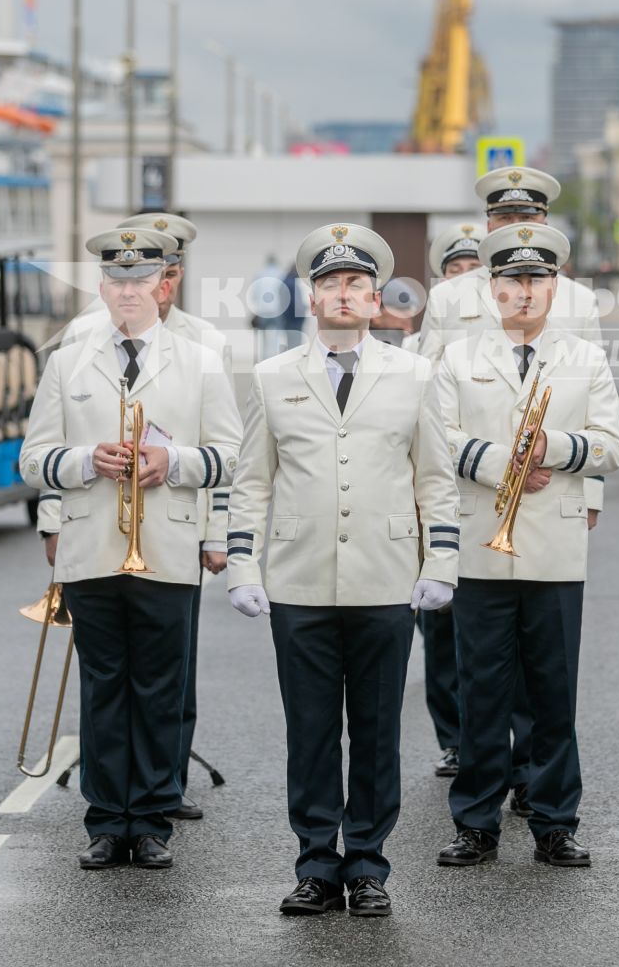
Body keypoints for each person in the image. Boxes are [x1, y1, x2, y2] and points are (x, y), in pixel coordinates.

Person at [225, 223, 461, 918]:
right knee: (311, 729)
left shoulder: (414, 374)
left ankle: (367, 864)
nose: (345, 294)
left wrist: (441, 559)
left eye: (357, 284)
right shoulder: (272, 378)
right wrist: (243, 563)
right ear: (313, 296)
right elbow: (251, 482)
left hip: (389, 578)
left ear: (375, 296)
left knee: (379, 728)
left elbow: (436, 480)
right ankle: (316, 864)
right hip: (299, 581)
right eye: (332, 283)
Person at [21, 225, 241, 871]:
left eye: (138, 280)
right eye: (115, 281)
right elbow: (34, 460)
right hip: (92, 547)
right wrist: (88, 458)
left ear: (162, 285)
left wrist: (170, 461)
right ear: (101, 286)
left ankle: (150, 820)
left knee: (159, 689)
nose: (126, 291)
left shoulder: (199, 360)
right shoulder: (68, 360)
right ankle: (105, 820)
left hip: (166, 548)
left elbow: (231, 455)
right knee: (103, 689)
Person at [433, 222, 619, 870]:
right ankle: (476, 823)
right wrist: (499, 462)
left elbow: (612, 444)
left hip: (554, 543)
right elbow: (437, 438)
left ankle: (554, 823)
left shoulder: (584, 358)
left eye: (536, 280)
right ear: (492, 289)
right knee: (481, 689)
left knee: (551, 692)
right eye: (512, 280)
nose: (524, 292)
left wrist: (557, 449)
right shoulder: (457, 358)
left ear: (553, 288)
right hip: (481, 543)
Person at [418, 170, 602, 815]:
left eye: (529, 215)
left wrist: (587, 487)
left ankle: (544, 795)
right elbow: (430, 402)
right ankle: (477, 791)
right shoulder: (452, 298)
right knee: (474, 662)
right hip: (476, 503)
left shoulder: (577, 300)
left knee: (548, 673)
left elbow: (597, 420)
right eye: (503, 215)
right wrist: (494, 467)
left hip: (554, 504)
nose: (514, 225)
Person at [406, 221, 483, 779]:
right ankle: (454, 736)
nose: (463, 280)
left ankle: (495, 737)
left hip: (488, 492)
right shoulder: (413, 353)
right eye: (453, 272)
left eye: (472, 271)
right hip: (435, 499)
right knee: (440, 626)